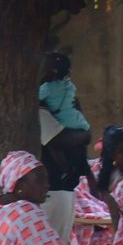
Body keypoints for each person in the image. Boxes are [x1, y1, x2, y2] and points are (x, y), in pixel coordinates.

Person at [38, 53, 91, 191]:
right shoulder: (69, 86)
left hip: (58, 189)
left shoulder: (45, 90)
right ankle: (73, 169)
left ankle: (67, 168)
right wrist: (86, 134)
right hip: (76, 120)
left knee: (56, 146)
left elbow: (59, 140)